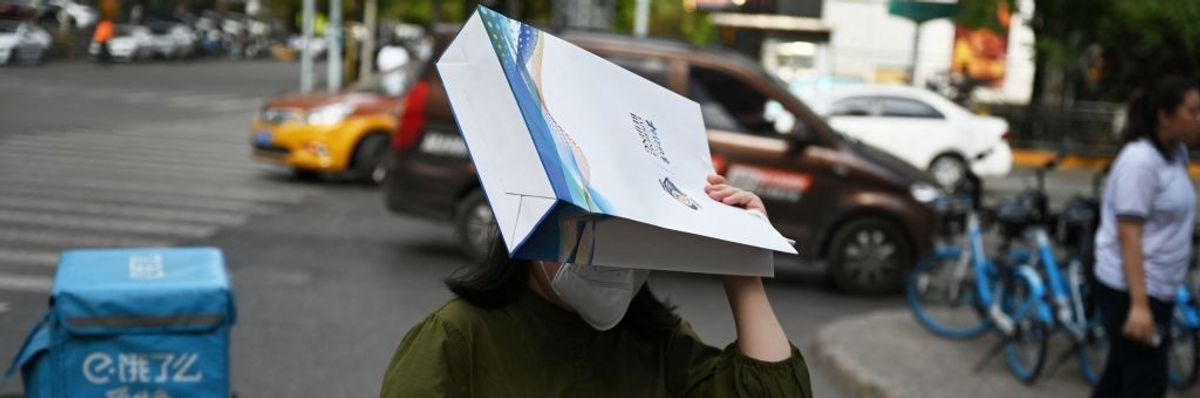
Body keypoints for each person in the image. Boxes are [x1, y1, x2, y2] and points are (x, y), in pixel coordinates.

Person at [380, 175, 811, 397]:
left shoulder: (657, 344)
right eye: (592, 231)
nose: (614, 261)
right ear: (536, 222)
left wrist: (744, 266)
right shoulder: (454, 341)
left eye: (637, 236)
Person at [1092, 76, 1200, 398]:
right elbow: (1128, 234)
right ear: (1165, 117)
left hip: (1159, 288)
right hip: (1131, 290)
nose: (1199, 119)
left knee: (1119, 377)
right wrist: (1139, 306)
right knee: (1146, 383)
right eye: (1193, 111)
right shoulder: (1140, 162)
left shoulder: (1176, 153)